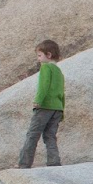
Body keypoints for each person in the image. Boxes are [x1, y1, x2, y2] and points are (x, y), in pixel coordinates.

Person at [18, 39, 66, 168]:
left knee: (32, 135)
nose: (38, 59)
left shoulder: (46, 68)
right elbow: (62, 92)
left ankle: (24, 164)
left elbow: (43, 86)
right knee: (50, 136)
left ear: (48, 55)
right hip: (57, 108)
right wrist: (62, 110)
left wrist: (37, 101)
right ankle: (54, 162)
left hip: (45, 106)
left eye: (40, 55)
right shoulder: (59, 72)